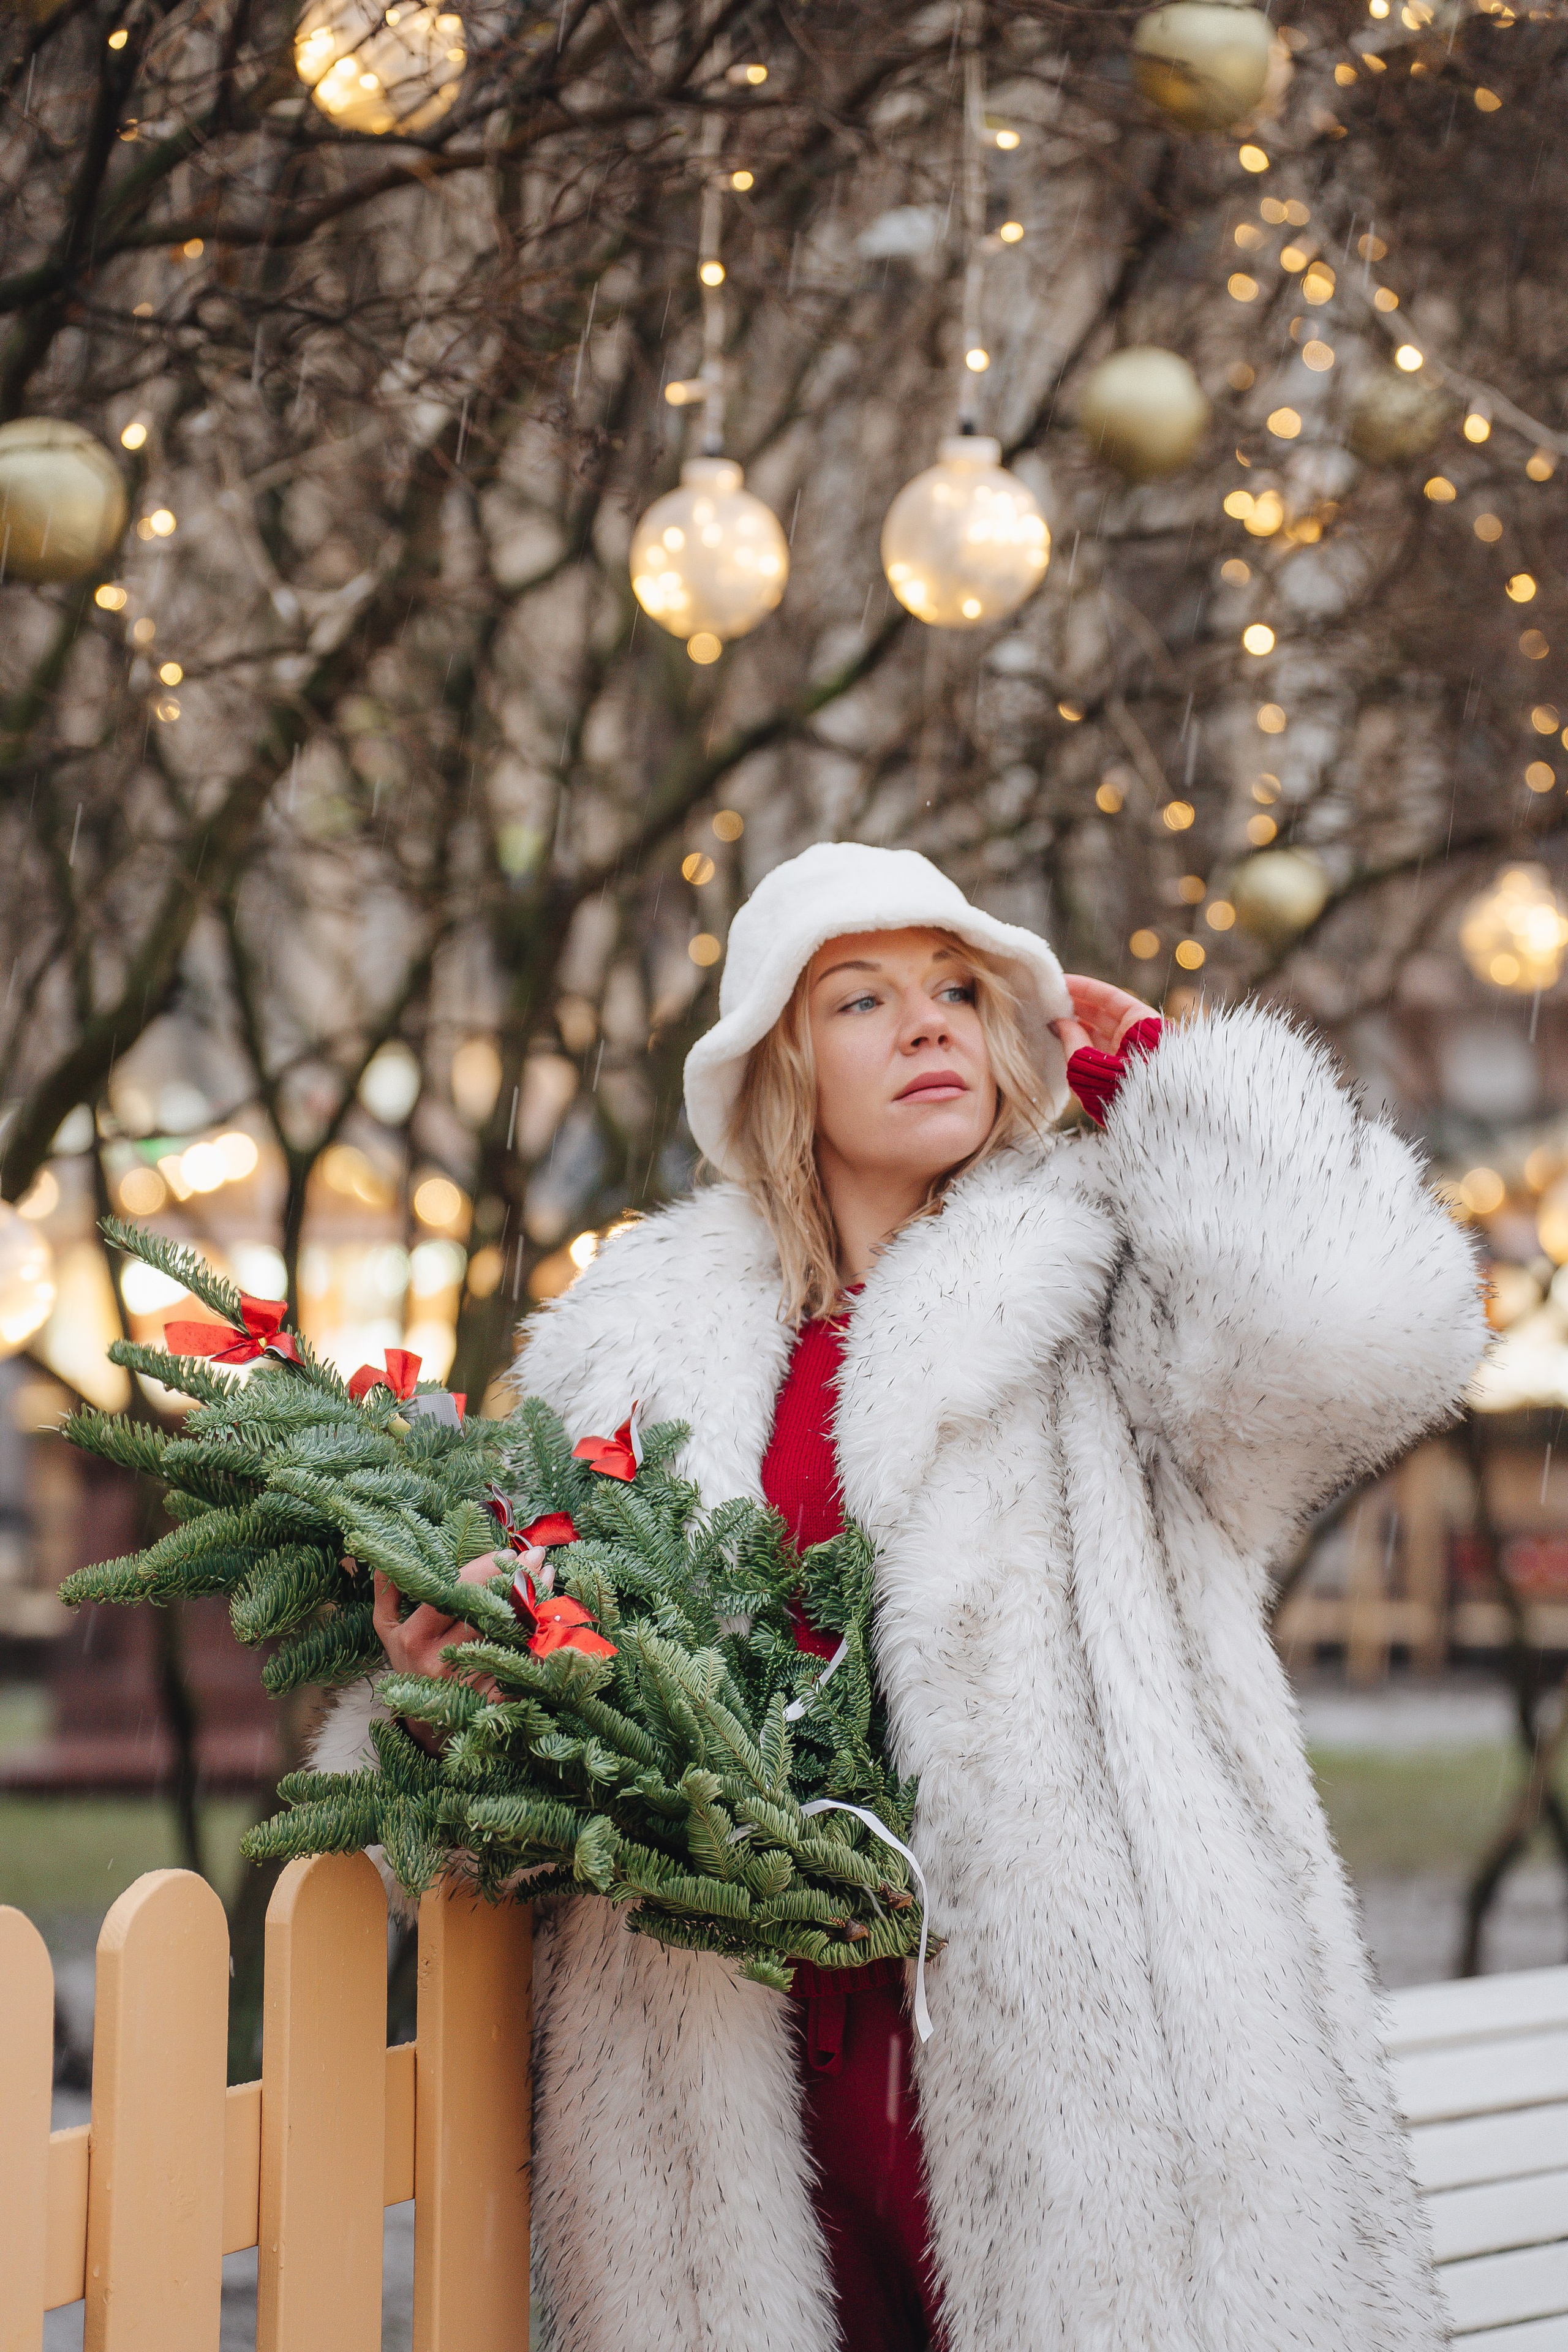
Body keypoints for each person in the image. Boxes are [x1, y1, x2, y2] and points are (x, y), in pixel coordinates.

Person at [320, 839, 1484, 2352]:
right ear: (776, 1071)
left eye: (953, 991)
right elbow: (553, 1784)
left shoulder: (1118, 1303)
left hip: (1095, 2069)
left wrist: (1163, 1088)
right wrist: (456, 1679)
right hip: (730, 2069)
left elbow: (1365, 1336)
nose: (927, 1024)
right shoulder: (622, 1364)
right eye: (861, 1000)